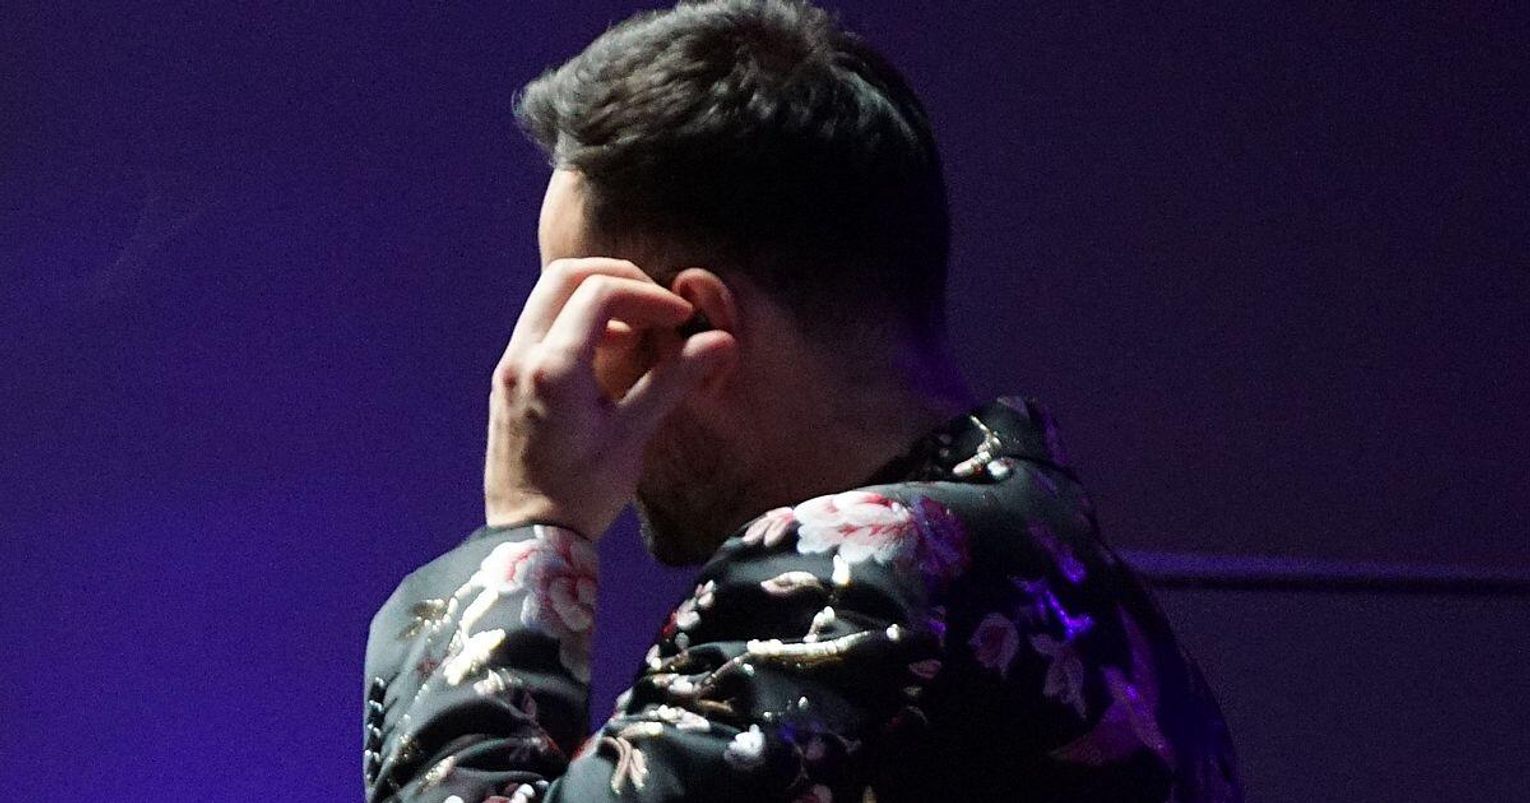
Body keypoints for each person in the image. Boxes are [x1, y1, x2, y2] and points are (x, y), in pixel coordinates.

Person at [363, 1, 1241, 800]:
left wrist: (530, 529)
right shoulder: (1088, 597)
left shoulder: (852, 591)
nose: (555, 373)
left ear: (696, 324)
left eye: (583, 319)